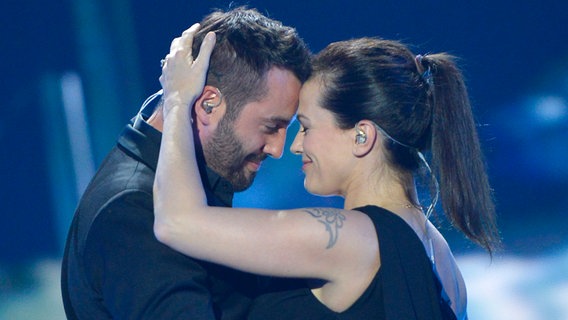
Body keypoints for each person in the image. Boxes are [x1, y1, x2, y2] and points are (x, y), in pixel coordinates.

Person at [154, 30, 501, 320]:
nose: (294, 146)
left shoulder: (349, 239)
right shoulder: (440, 256)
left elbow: (175, 223)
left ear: (362, 136)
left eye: (305, 127)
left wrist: (177, 100)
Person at [60, 7, 311, 319]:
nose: (277, 149)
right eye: (271, 127)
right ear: (207, 103)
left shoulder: (182, 180)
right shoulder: (133, 210)